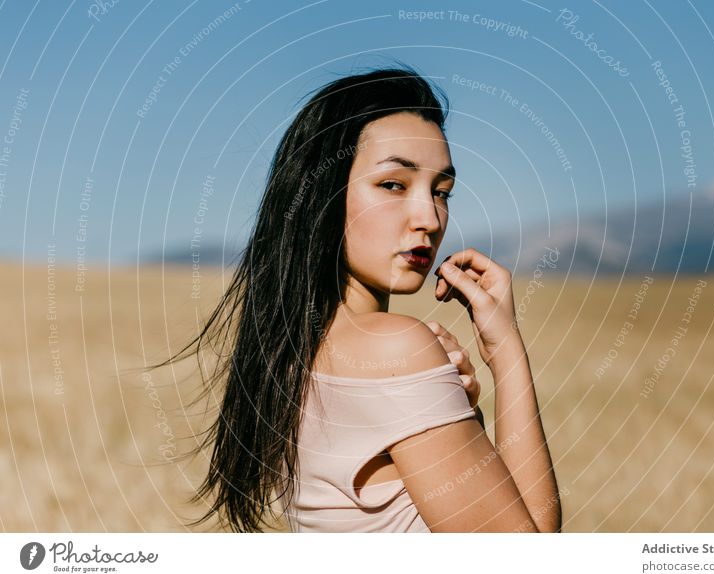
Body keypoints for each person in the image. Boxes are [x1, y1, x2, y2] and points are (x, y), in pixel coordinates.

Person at [147, 63, 561, 533]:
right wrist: (505, 353)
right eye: (392, 185)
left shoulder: (291, 353)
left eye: (442, 191)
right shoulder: (394, 348)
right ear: (323, 194)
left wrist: (461, 416)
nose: (429, 216)